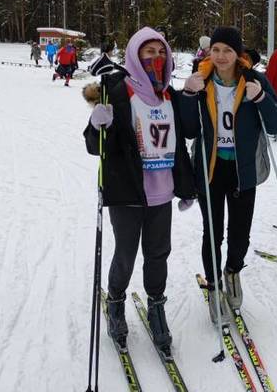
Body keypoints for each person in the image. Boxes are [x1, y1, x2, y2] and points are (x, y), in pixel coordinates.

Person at [82, 26, 196, 352]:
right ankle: (115, 303)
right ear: (135, 55)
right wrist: (97, 124)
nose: (156, 58)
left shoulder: (169, 95)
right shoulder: (118, 92)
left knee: (158, 255)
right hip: (127, 191)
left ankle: (156, 307)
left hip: (161, 192)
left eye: (161, 53)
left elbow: (180, 144)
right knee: (126, 254)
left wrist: (186, 187)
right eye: (149, 52)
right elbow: (95, 147)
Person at [181, 27, 277, 322]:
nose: (221, 56)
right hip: (210, 169)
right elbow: (188, 130)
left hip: (243, 170)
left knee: (240, 235)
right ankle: (214, 286)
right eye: (216, 50)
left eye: (228, 51)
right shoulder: (201, 82)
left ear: (238, 54)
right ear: (209, 52)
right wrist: (188, 95)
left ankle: (232, 271)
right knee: (211, 233)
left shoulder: (253, 80)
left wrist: (261, 97)